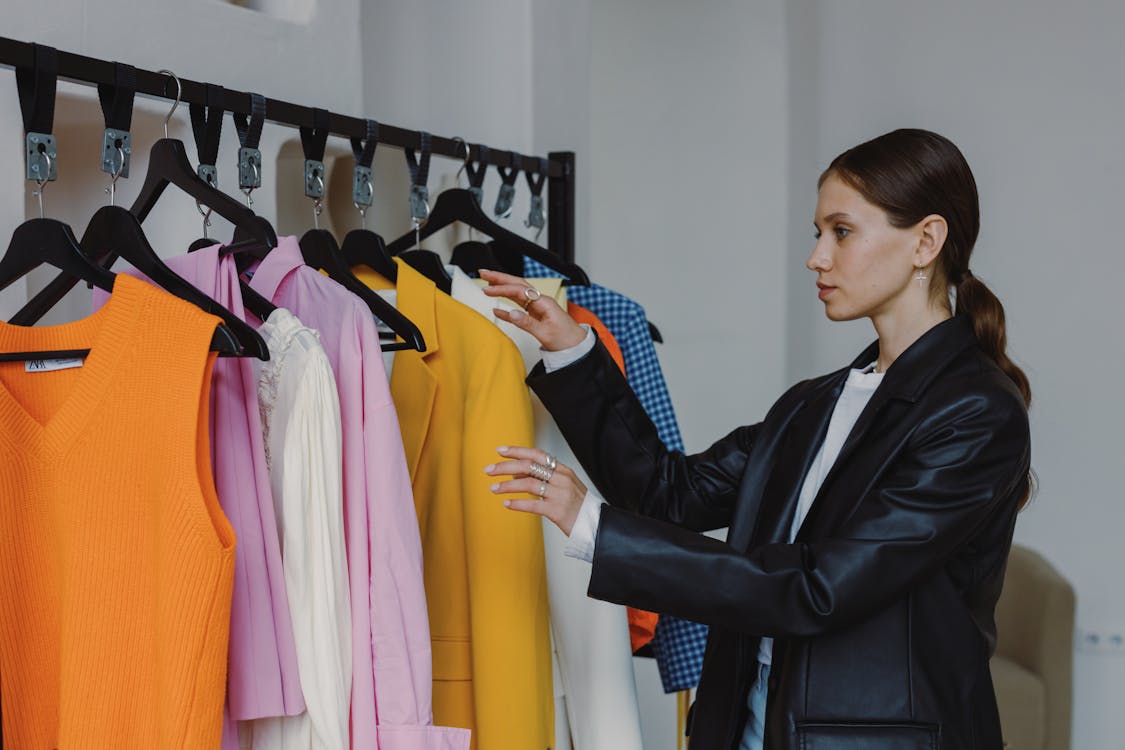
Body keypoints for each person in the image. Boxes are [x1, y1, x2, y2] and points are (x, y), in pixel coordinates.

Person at [479, 128, 1032, 750]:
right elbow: (669, 493)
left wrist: (594, 526)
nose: (817, 257)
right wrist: (573, 352)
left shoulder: (978, 413)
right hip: (752, 724)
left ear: (925, 240)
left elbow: (820, 587)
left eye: (841, 232)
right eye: (817, 234)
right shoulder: (814, 404)